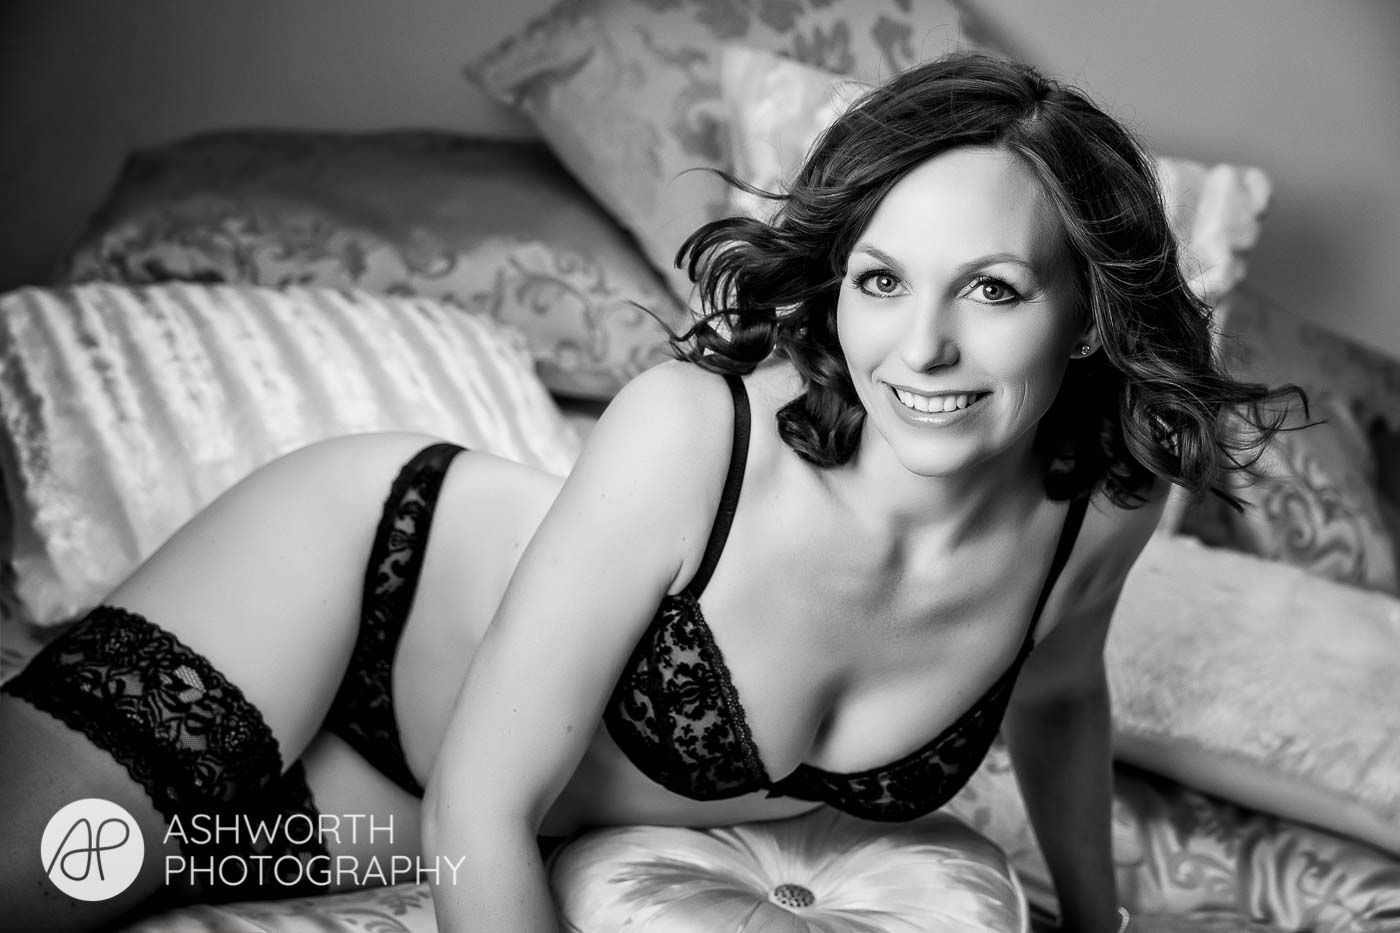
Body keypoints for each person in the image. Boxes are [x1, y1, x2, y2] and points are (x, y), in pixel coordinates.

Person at [0, 52, 1297, 933]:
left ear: (1087, 314)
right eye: (882, 280)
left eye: (994, 289)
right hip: (355, 586)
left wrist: (1098, 921)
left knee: (103, 881)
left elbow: (1060, 694)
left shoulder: (1102, 502)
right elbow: (484, 801)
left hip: (408, 795)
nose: (923, 349)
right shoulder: (696, 433)